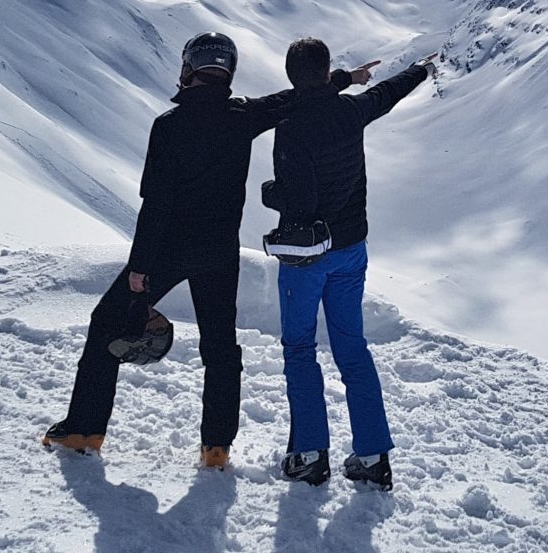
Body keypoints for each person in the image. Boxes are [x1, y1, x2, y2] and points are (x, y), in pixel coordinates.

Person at [43, 33, 377, 469]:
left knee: (107, 322)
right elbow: (292, 99)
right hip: (220, 251)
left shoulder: (169, 125)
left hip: (167, 250)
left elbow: (157, 202)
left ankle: (83, 431)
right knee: (220, 347)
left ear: (188, 69)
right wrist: (342, 80)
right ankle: (216, 448)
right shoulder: (241, 116)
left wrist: (141, 266)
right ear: (228, 72)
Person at [270, 40, 436, 491]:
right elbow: (387, 95)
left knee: (301, 348)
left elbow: (299, 199)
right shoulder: (349, 112)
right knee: (352, 349)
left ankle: (308, 455)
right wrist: (418, 70)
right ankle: (371, 455)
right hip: (351, 251)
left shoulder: (290, 125)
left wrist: (272, 194)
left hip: (307, 257)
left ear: (290, 77)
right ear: (327, 73)